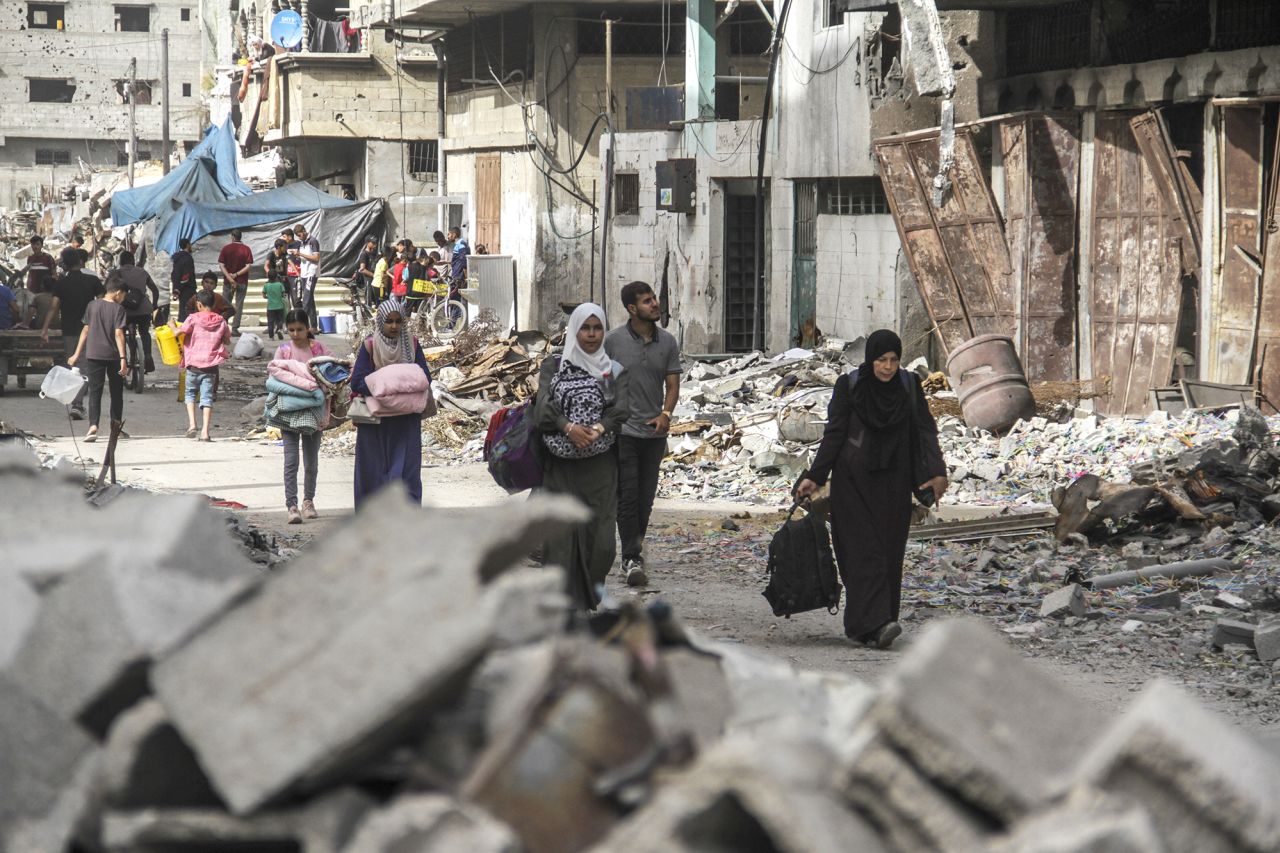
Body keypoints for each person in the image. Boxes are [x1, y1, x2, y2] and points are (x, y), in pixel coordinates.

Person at [793, 330, 948, 649]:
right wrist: (815, 476)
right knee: (863, 555)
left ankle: (872, 625)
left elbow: (924, 431)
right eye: (881, 360)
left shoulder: (908, 386)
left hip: (894, 485)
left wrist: (936, 471)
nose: (888, 367)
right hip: (853, 485)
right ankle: (877, 623)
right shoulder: (850, 387)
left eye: (893, 360)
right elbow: (834, 435)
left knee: (889, 555)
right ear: (870, 359)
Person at [535, 303, 631, 610]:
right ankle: (562, 605)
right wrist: (568, 427)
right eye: (585, 328)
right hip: (561, 466)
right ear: (575, 331)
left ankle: (589, 596)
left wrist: (599, 429)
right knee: (559, 538)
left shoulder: (612, 370)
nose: (591, 335)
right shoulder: (555, 366)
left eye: (597, 328)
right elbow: (542, 409)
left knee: (601, 542)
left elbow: (621, 410)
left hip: (600, 467)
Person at [604, 281, 682, 587]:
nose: (655, 304)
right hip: (623, 432)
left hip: (654, 434)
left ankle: (634, 550)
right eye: (647, 301)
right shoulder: (613, 341)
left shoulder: (668, 342)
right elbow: (602, 382)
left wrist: (666, 414)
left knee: (645, 498)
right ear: (632, 309)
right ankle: (631, 557)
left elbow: (672, 384)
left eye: (655, 299)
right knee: (628, 495)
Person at [350, 297, 432, 507]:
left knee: (407, 471)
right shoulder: (370, 346)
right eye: (389, 321)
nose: (394, 326)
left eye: (398, 321)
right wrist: (388, 389)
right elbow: (358, 381)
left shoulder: (412, 344)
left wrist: (390, 387)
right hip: (375, 421)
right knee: (372, 471)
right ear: (380, 322)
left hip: (405, 420)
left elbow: (425, 377)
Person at [276, 309, 332, 523]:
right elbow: (276, 374)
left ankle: (308, 501)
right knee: (291, 461)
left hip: (313, 412)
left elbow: (331, 371)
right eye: (291, 330)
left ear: (308, 328)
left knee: (311, 462)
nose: (296, 334)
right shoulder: (283, 351)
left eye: (300, 329)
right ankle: (292, 505)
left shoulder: (318, 349)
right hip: (289, 412)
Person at [40, 252, 103, 418]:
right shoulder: (93, 281)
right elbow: (102, 302)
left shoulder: (61, 284)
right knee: (85, 366)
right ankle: (78, 404)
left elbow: (54, 307)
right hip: (90, 329)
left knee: (73, 366)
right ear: (80, 262)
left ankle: (76, 403)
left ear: (65, 265)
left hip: (68, 331)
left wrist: (45, 329)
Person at [67, 280, 130, 443]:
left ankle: (93, 427)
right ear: (118, 293)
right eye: (124, 295)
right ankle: (115, 427)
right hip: (114, 356)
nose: (123, 298)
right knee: (117, 393)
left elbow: (85, 330)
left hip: (94, 355)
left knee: (95, 392)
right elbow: (119, 334)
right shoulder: (118, 309)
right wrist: (124, 359)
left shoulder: (92, 305)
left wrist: (76, 354)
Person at [178, 291, 232, 442]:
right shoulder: (221, 321)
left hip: (193, 365)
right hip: (211, 367)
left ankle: (192, 425)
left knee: (190, 394)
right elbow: (227, 340)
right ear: (214, 304)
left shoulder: (192, 319)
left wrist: (171, 325)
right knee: (207, 398)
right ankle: (205, 432)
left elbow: (179, 332)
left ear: (198, 304)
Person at [105, 250, 160, 373]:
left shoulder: (116, 273)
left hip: (124, 311)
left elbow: (107, 290)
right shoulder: (142, 272)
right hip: (144, 309)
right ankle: (147, 355)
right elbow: (155, 290)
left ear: (120, 262)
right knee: (145, 332)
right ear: (133, 261)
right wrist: (154, 305)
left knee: (121, 334)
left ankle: (122, 359)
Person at [217, 229, 254, 334]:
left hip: (228, 282)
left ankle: (224, 327)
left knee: (225, 304)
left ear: (232, 237)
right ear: (240, 237)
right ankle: (234, 328)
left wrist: (230, 277)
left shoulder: (226, 249)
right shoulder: (246, 249)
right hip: (242, 281)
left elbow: (221, 265)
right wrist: (236, 275)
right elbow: (248, 266)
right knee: (239, 304)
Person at [293, 223, 321, 329]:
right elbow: (305, 258)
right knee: (310, 300)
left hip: (311, 273)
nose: (300, 237)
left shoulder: (313, 241)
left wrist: (300, 254)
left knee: (306, 300)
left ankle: (301, 326)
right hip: (304, 273)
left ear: (304, 231)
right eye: (298, 236)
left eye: (300, 235)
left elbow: (316, 258)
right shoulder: (302, 243)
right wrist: (297, 256)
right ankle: (314, 326)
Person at [171, 237, 197, 321]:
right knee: (188, 311)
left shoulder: (176, 258)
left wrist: (176, 288)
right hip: (188, 289)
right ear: (188, 245)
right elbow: (186, 275)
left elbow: (175, 274)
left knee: (182, 309)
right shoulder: (187, 258)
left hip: (179, 289)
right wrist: (180, 288)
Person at [262, 264, 288, 340]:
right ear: (276, 276)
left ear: (268, 276)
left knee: (270, 322)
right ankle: (279, 329)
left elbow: (263, 295)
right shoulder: (280, 284)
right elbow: (283, 294)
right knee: (280, 320)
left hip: (270, 307)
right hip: (280, 306)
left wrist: (268, 297)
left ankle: (271, 337)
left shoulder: (266, 285)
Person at [355, 235, 380, 304]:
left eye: (375, 243)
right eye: (373, 243)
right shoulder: (364, 254)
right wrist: (374, 275)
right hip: (368, 279)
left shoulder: (374, 254)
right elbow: (362, 269)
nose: (375, 244)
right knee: (368, 298)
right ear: (367, 243)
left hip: (375, 279)